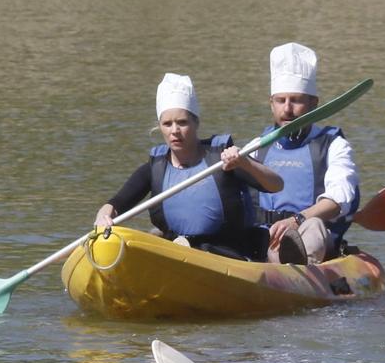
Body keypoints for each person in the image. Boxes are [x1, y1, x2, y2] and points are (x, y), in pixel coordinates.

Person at [94, 73, 282, 260]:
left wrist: (245, 163)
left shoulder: (221, 159)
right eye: (167, 124)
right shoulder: (155, 168)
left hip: (228, 252)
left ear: (196, 123)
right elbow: (116, 203)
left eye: (182, 122)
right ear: (160, 127)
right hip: (177, 251)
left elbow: (275, 185)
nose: (174, 130)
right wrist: (104, 216)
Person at [254, 43, 359, 265]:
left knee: (314, 226)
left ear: (314, 104)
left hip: (312, 235)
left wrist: (296, 220)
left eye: (297, 100)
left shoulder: (333, 145)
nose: (288, 109)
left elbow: (338, 201)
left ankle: (296, 266)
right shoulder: (256, 147)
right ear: (271, 104)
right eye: (280, 100)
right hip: (266, 238)